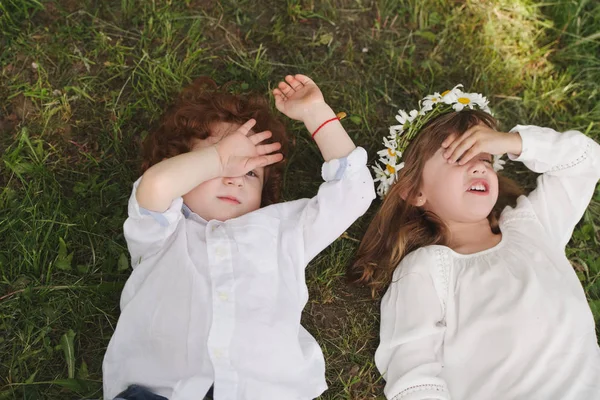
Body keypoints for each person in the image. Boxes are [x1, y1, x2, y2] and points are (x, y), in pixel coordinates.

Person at [102, 74, 375, 400]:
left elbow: (353, 194)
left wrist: (316, 113)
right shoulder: (162, 232)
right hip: (161, 389)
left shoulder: (281, 232)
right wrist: (216, 158)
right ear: (183, 166)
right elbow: (155, 186)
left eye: (250, 172)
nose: (235, 180)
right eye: (222, 166)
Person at [352, 85, 600, 399]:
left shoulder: (534, 226)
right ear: (414, 191)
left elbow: (585, 160)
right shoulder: (427, 269)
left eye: (486, 156)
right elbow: (413, 374)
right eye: (458, 157)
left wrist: (513, 141)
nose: (480, 165)